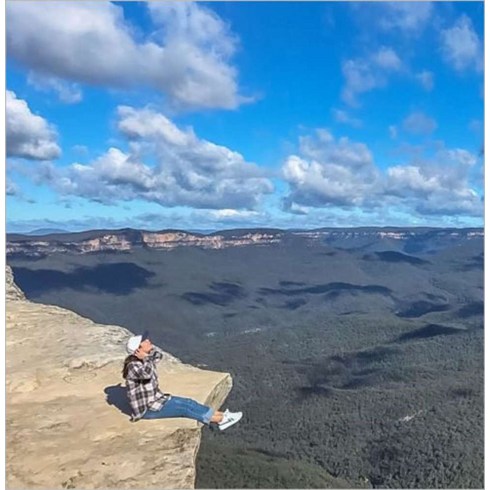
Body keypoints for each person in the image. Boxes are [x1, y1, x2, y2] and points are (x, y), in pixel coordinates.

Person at [122, 331, 242, 431]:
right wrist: (146, 358)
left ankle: (222, 415)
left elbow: (158, 356)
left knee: (189, 402)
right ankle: (220, 420)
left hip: (158, 400)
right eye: (144, 341)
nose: (148, 340)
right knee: (184, 410)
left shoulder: (145, 360)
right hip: (147, 409)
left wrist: (147, 355)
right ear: (138, 350)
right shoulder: (133, 366)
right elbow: (146, 375)